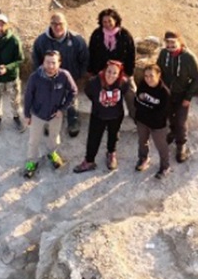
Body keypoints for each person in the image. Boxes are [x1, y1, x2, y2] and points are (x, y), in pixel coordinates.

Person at [21, 50, 78, 179]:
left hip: (55, 115)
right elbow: (28, 96)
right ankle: (31, 161)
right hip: (37, 114)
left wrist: (62, 108)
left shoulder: (64, 76)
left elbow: (73, 91)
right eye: (47, 62)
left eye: (53, 63)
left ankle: (52, 153)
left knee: (54, 136)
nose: (50, 66)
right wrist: (27, 115)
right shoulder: (35, 77)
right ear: (43, 62)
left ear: (59, 63)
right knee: (33, 140)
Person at [31, 12, 89, 138]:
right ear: (50, 24)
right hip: (49, 78)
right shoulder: (41, 41)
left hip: (71, 77)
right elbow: (36, 60)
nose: (57, 27)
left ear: (66, 24)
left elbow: (84, 58)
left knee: (71, 100)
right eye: (54, 24)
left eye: (60, 24)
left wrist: (79, 75)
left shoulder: (76, 40)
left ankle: (73, 121)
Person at [74, 59, 134, 173]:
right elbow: (89, 92)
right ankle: (89, 161)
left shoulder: (123, 83)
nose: (111, 75)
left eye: (114, 73)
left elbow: (124, 93)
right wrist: (98, 103)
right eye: (109, 71)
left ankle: (111, 153)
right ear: (104, 70)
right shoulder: (94, 82)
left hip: (116, 115)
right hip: (98, 115)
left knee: (114, 135)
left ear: (119, 74)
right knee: (93, 138)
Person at [156, 30, 198, 163]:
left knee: (181, 120)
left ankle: (181, 144)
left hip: (182, 95)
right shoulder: (164, 54)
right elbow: (158, 71)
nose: (170, 45)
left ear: (179, 42)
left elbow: (196, 78)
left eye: (172, 42)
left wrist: (188, 97)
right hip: (167, 93)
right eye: (167, 42)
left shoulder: (188, 58)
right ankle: (173, 132)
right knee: (169, 116)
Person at [132, 63, 172, 179]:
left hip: (157, 125)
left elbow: (163, 112)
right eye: (146, 76)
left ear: (159, 75)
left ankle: (165, 166)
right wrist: (147, 109)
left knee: (161, 146)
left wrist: (145, 108)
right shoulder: (142, 85)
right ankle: (143, 159)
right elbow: (136, 101)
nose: (148, 79)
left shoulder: (164, 92)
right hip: (142, 121)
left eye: (151, 76)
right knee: (142, 141)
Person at [87, 7, 136, 78]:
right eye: (104, 22)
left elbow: (131, 54)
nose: (107, 24)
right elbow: (91, 52)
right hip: (100, 71)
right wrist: (90, 70)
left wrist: (129, 73)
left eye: (110, 21)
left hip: (119, 73)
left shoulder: (125, 35)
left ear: (115, 20)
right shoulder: (97, 34)